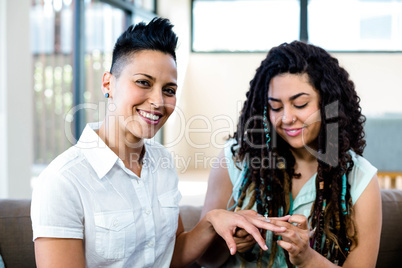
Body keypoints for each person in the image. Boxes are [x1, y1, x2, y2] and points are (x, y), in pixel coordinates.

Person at [31, 17, 287, 268]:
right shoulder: (62, 181)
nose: (158, 101)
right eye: (143, 82)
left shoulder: (162, 161)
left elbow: (170, 257)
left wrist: (211, 222)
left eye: (169, 90)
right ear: (108, 83)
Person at [198, 41, 382, 267]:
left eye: (300, 104)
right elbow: (207, 260)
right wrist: (231, 240)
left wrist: (307, 258)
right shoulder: (235, 160)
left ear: (328, 104)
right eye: (275, 107)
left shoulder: (360, 178)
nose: (286, 118)